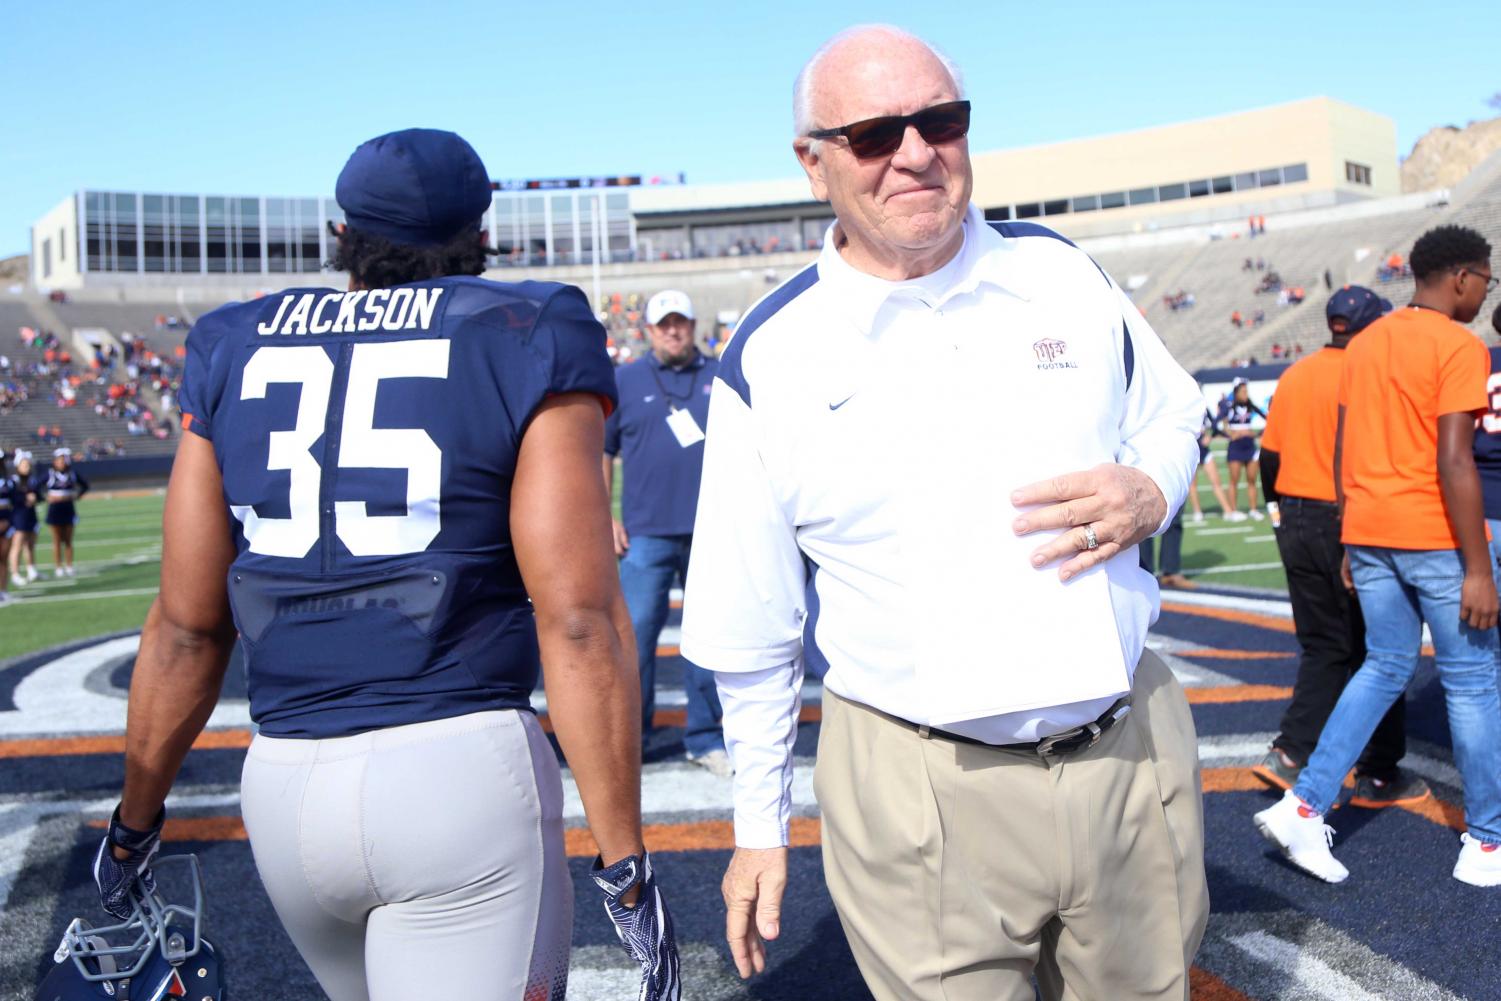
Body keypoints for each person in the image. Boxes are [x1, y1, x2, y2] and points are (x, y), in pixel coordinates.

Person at [682, 25, 1208, 1000]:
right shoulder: (775, 353)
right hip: (916, 779)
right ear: (814, 162)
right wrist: (759, 827)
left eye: (941, 120)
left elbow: (1173, 411)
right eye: (876, 133)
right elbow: (753, 630)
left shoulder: (1061, 271)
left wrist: (1152, 488)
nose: (917, 153)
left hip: (1125, 741)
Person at [92, 129, 680, 1001]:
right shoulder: (527, 324)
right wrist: (623, 855)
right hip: (455, 776)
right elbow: (580, 617)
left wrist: (134, 822)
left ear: (342, 235)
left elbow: (185, 624)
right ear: (481, 234)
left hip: (285, 787)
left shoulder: (232, 338)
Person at [1254, 224, 1501, 887]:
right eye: (1485, 278)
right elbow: (1454, 458)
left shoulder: (1363, 346)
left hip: (1365, 528)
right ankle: (1486, 840)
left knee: (1382, 665)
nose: (1484, 291)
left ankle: (1302, 803)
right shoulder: (1458, 343)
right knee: (1471, 681)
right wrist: (1478, 567)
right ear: (1459, 278)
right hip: (1430, 534)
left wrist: (1351, 534)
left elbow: (1343, 449)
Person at [1252, 286, 1430, 806]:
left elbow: (1270, 461)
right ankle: (1378, 771)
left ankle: (1289, 753)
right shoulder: (1374, 372)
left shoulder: (1296, 373)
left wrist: (1279, 513)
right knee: (1384, 649)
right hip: (1352, 518)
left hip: (1297, 516)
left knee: (1324, 646)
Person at [603, 288, 729, 777]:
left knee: (707, 640)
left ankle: (705, 736)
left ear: (693, 326)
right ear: (649, 330)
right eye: (664, 323)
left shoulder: (721, 375)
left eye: (681, 322)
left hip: (711, 530)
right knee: (634, 638)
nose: (673, 330)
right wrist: (603, 514)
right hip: (644, 531)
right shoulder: (626, 380)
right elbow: (604, 452)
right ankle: (632, 740)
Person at [1218, 378, 1266, 520]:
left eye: (1247, 391)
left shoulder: (1251, 406)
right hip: (1236, 448)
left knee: (1252, 479)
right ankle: (1233, 511)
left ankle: (1253, 509)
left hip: (1250, 446)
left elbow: (1269, 418)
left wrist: (1256, 433)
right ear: (1236, 393)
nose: (1246, 394)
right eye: (1243, 391)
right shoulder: (1230, 407)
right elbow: (1216, 424)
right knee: (1234, 480)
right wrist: (1230, 434)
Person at [43, 447, 88, 577]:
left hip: (68, 509)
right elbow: (36, 487)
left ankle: (69, 566)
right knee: (56, 540)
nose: (62, 462)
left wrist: (76, 495)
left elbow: (85, 486)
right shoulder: (50, 474)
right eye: (59, 460)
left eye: (64, 460)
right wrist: (46, 497)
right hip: (54, 511)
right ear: (55, 461)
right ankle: (58, 567)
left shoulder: (72, 474)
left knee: (68, 540)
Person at [1188, 408, 1234, 522]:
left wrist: (1210, 436)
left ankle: (1228, 511)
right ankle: (1197, 511)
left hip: (1204, 451)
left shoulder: (1202, 406)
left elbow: (1214, 423)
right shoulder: (1182, 408)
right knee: (1192, 486)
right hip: (1190, 452)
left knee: (1216, 481)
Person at [7, 452, 39, 586]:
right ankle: (15, 573)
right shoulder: (13, 481)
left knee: (30, 544)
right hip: (18, 516)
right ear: (17, 466)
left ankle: (31, 569)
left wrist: (36, 498)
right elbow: (11, 498)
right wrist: (25, 498)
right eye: (24, 464)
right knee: (17, 545)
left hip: (31, 515)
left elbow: (39, 495)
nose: (27, 467)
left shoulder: (32, 480)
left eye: (28, 464)